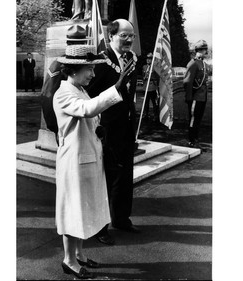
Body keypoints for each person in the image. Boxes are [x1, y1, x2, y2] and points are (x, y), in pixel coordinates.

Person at [53, 39, 134, 279]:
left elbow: (89, 116)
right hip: (73, 162)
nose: (93, 73)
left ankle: (78, 254)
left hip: (86, 159)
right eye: (89, 69)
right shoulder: (63, 93)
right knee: (72, 210)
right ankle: (68, 261)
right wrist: (117, 86)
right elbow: (88, 109)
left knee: (82, 210)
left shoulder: (79, 89)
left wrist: (97, 129)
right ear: (73, 70)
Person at [86, 19, 140, 246]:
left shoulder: (131, 60)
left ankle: (121, 218)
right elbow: (88, 95)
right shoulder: (100, 61)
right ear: (111, 36)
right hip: (105, 129)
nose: (129, 40)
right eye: (124, 36)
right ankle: (100, 227)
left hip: (125, 127)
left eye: (132, 36)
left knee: (125, 175)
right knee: (105, 179)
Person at [40, 24, 92, 144]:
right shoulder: (59, 64)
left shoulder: (85, 63)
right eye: (75, 44)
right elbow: (48, 95)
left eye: (82, 44)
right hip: (65, 125)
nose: (79, 47)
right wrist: (56, 127)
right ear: (68, 44)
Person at [183, 40, 209, 149]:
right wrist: (189, 97)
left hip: (202, 97)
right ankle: (191, 141)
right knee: (193, 119)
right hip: (195, 97)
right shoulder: (193, 63)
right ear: (197, 51)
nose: (204, 52)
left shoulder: (204, 64)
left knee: (198, 119)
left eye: (204, 50)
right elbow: (187, 82)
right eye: (202, 50)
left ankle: (196, 139)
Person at [142, 52, 159, 122]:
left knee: (154, 103)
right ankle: (146, 115)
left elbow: (157, 77)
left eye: (149, 59)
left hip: (153, 87)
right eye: (147, 59)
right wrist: (144, 77)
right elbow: (143, 76)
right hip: (146, 87)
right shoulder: (144, 67)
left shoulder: (155, 67)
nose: (148, 60)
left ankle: (156, 116)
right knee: (146, 103)